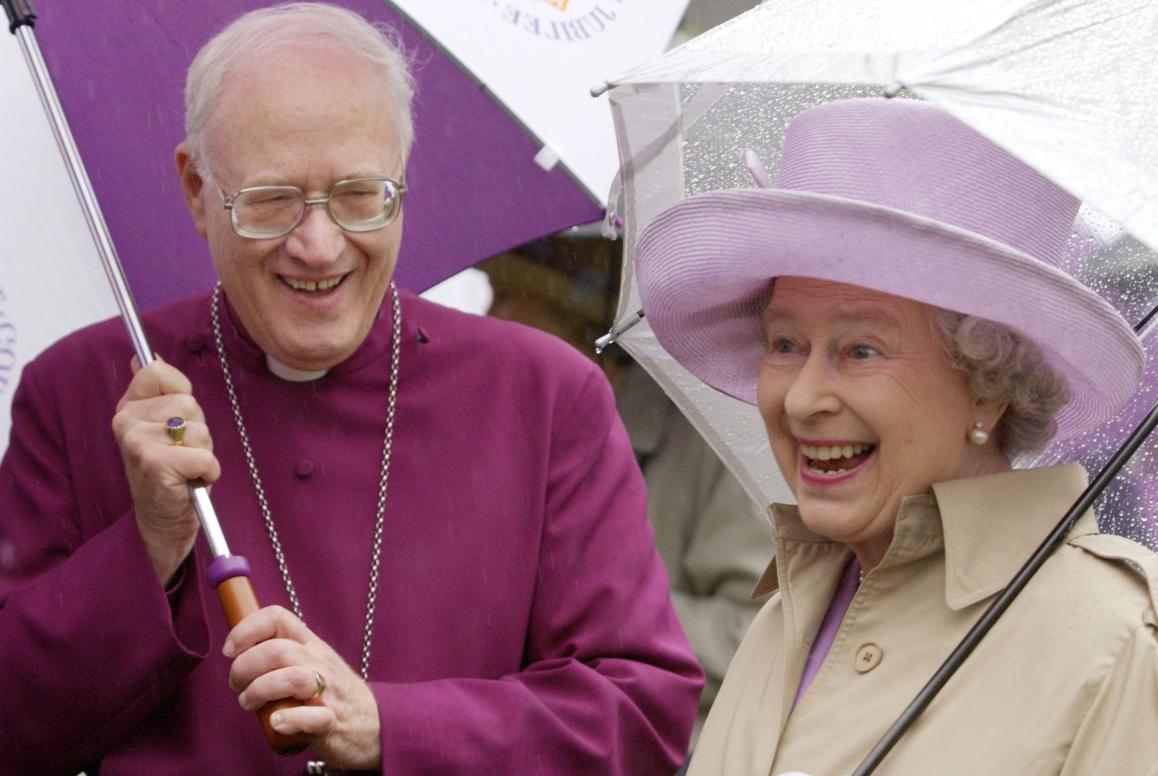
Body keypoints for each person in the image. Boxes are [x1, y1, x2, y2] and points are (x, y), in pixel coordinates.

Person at [0, 3, 701, 773]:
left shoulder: (545, 396)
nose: (318, 244)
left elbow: (639, 720)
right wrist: (149, 546)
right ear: (199, 189)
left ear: (404, 178)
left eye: (359, 195)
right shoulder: (82, 392)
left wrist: (388, 726)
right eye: (271, 200)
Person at [632, 97, 1158, 775]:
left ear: (989, 384)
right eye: (784, 343)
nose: (802, 398)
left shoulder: (1118, 646)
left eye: (861, 350)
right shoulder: (787, 615)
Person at [483, 248, 773, 740]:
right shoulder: (513, 433)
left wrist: (589, 612)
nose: (489, 316)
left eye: (509, 295)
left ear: (581, 328)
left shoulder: (710, 442)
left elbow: (753, 634)